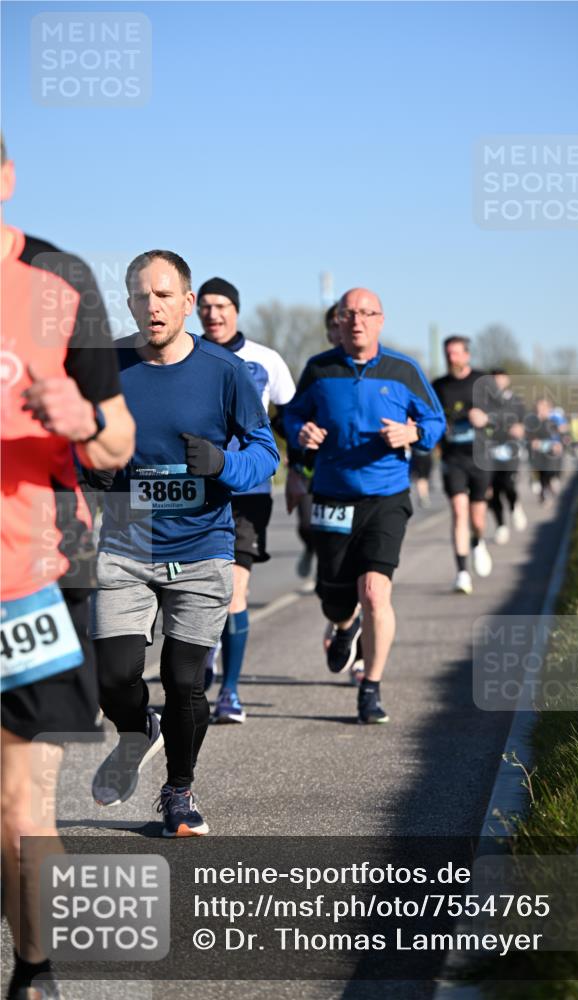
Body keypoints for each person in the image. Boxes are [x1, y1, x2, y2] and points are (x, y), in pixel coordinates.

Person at [0, 136, 135, 1000]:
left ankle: (35, 973)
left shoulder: (60, 282)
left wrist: (82, 414)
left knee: (20, 803)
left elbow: (118, 445)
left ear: (4, 180)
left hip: (32, 582)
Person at [90, 250, 279, 836]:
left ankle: (177, 793)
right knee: (115, 674)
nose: (153, 306)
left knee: (184, 680)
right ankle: (134, 730)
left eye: (165, 295)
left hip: (203, 546)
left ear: (187, 302)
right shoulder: (106, 365)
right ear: (128, 303)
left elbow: (265, 454)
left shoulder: (226, 372)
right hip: (126, 544)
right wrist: (88, 469)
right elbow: (74, 440)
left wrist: (223, 462)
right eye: (142, 296)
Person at [284, 288, 445, 724]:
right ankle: (342, 628)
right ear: (337, 321)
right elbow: (292, 416)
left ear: (380, 319)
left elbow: (435, 420)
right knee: (335, 598)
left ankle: (370, 687)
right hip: (333, 496)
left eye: (366, 313)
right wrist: (301, 434)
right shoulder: (319, 369)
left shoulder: (403, 369)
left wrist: (413, 435)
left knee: (374, 592)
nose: (356, 320)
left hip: (385, 497)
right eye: (348, 313)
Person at [196, 276, 295, 723]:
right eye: (206, 306)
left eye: (221, 306)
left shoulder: (265, 361)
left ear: (236, 310)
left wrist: (304, 469)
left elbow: (291, 420)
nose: (213, 314)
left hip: (249, 491)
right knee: (198, 590)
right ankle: (206, 654)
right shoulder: (187, 355)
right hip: (196, 489)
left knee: (236, 590)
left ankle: (230, 693)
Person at [432, 336, 492, 595]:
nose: (451, 359)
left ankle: (477, 541)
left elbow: (505, 414)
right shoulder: (439, 386)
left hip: (480, 457)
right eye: (448, 354)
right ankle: (462, 573)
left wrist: (486, 418)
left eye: (456, 354)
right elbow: (429, 417)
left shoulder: (483, 381)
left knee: (477, 518)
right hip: (452, 457)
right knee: (459, 511)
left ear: (467, 355)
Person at [287, 302, 341, 582]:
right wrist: (295, 465)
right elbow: (292, 416)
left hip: (346, 473)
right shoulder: (318, 369)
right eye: (333, 326)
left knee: (336, 536)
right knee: (308, 526)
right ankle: (310, 548)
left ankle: (330, 580)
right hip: (310, 469)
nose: (339, 330)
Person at [485, 369, 527, 545]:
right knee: (492, 490)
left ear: (507, 380)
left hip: (510, 449)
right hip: (489, 450)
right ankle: (501, 526)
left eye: (501, 379)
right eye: (494, 380)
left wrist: (521, 429)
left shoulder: (516, 401)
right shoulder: (484, 402)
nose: (498, 382)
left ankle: (514, 505)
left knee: (508, 484)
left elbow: (525, 423)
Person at [526, 397, 564, 503]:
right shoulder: (531, 422)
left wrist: (558, 444)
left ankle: (552, 481)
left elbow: (558, 436)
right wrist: (532, 441)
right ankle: (542, 489)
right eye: (540, 407)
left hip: (551, 453)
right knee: (541, 472)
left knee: (550, 468)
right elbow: (527, 436)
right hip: (537, 453)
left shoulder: (553, 422)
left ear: (549, 408)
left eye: (545, 407)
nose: (542, 409)